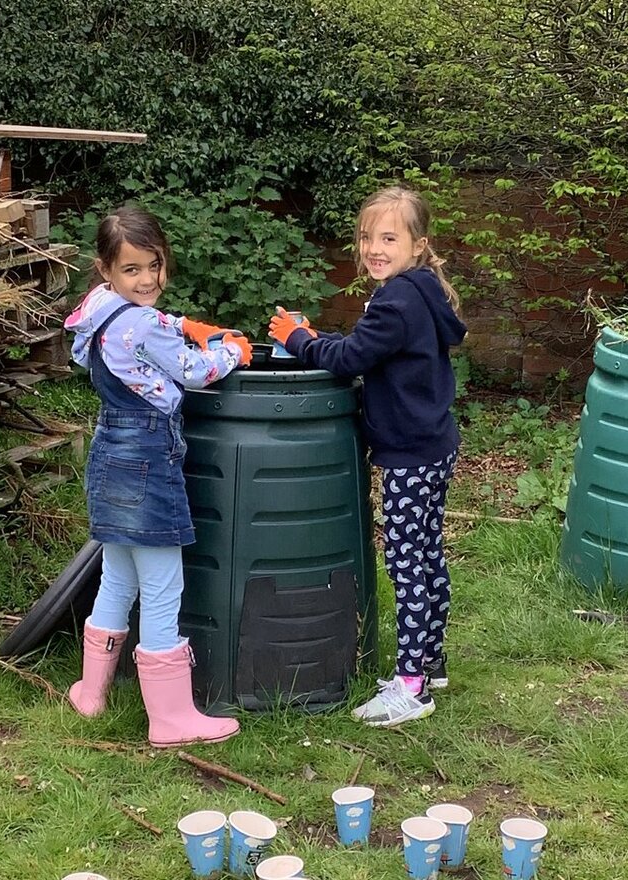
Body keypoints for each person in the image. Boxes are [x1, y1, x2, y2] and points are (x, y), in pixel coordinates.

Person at [268, 186, 467, 727]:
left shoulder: (397, 300)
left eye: (388, 238)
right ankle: (430, 663)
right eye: (366, 237)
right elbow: (369, 346)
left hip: (408, 455)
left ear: (418, 244)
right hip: (433, 445)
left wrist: (297, 340)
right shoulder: (419, 290)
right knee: (427, 553)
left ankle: (411, 687)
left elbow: (351, 358)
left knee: (406, 563)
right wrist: (316, 335)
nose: (374, 248)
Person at [64, 205, 252, 748]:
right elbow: (193, 371)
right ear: (106, 268)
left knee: (118, 577)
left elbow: (140, 329)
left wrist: (183, 325)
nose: (147, 279)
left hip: (109, 452)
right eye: (132, 270)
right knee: (164, 585)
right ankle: (170, 718)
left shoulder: (98, 307)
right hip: (149, 457)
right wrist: (230, 351)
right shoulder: (143, 323)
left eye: (155, 265)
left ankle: (92, 693)